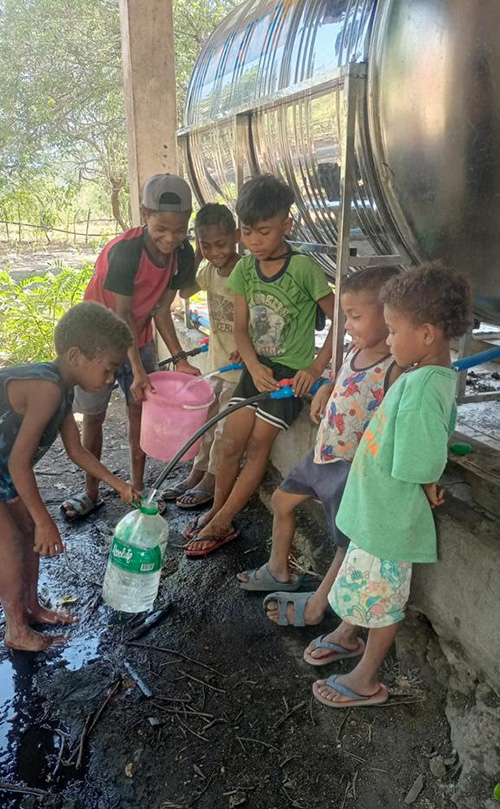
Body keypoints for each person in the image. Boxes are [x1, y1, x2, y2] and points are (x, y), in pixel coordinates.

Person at [310, 263, 472, 709]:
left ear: (425, 334)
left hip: (391, 513)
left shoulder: (423, 387)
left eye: (395, 330)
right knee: (368, 586)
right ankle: (348, 636)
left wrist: (426, 482)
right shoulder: (424, 376)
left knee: (383, 602)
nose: (390, 339)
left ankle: (366, 679)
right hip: (379, 507)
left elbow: (419, 459)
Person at [237, 266, 401, 631]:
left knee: (347, 542)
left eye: (356, 317)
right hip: (322, 455)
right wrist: (326, 387)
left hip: (350, 470)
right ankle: (279, 569)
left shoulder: (395, 369)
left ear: (390, 315)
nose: (348, 326)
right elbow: (345, 381)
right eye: (346, 317)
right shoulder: (354, 351)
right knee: (281, 501)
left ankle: (317, 605)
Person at [184, 174, 335, 556]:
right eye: (248, 233)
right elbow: (239, 327)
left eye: (264, 232)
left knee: (256, 445)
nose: (254, 242)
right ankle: (219, 510)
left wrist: (315, 370)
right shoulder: (245, 271)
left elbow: (341, 320)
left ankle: (222, 522)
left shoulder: (304, 269)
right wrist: (251, 366)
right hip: (256, 371)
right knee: (230, 440)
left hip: (288, 378)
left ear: (287, 224)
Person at [0, 302, 141, 652]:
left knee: (28, 532)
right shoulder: (46, 389)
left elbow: (76, 451)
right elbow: (20, 464)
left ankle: (31, 607)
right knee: (11, 543)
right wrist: (45, 518)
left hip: (3, 468)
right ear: (77, 356)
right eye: (108, 369)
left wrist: (119, 485)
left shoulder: (61, 389)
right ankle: (16, 628)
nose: (110, 379)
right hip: (6, 467)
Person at [62, 174, 199, 521]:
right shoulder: (125, 252)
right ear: (144, 215)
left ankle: (137, 490)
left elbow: (162, 310)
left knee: (141, 411)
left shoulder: (183, 254)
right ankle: (90, 492)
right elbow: (121, 313)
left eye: (180, 229)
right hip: (97, 339)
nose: (171, 238)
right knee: (93, 416)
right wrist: (137, 369)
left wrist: (179, 360)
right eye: (162, 228)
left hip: (140, 336)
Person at [161, 203, 242, 509]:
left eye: (220, 244)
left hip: (239, 368)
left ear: (235, 236)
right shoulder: (209, 271)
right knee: (207, 422)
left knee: (223, 428)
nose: (214, 251)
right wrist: (197, 254)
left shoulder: (245, 272)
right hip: (217, 364)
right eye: (206, 245)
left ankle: (212, 477)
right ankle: (198, 470)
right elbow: (183, 292)